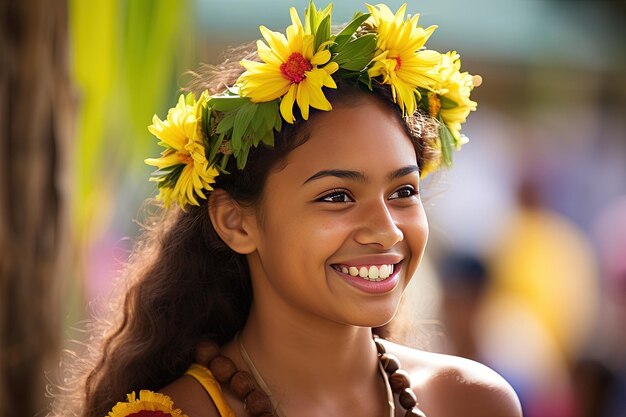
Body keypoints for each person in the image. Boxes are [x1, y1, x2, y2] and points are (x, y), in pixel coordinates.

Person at [50, 3, 521, 417]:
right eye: (336, 197)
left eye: (403, 192)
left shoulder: (474, 403)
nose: (386, 231)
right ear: (235, 221)